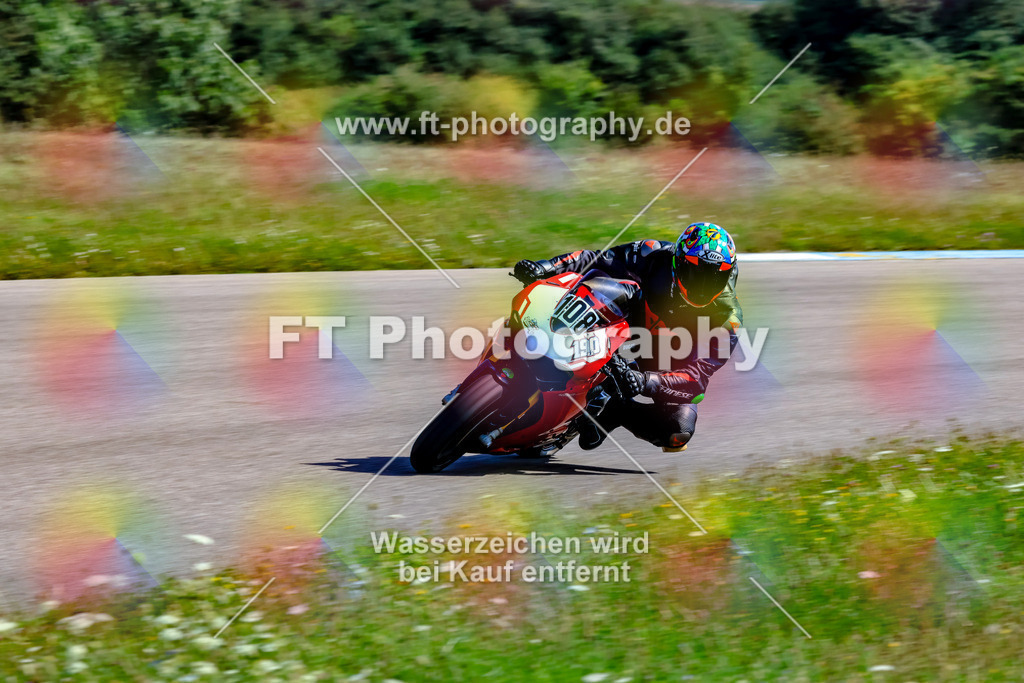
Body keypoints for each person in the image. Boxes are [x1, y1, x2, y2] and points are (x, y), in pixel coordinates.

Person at [512, 222, 742, 452]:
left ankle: (614, 409)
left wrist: (645, 382)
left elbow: (697, 380)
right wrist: (546, 267)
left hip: (672, 360)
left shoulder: (729, 319)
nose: (702, 288)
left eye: (715, 278)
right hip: (630, 324)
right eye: (695, 274)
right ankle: (542, 332)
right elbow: (596, 259)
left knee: (677, 431)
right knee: (616, 284)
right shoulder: (652, 254)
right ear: (677, 262)